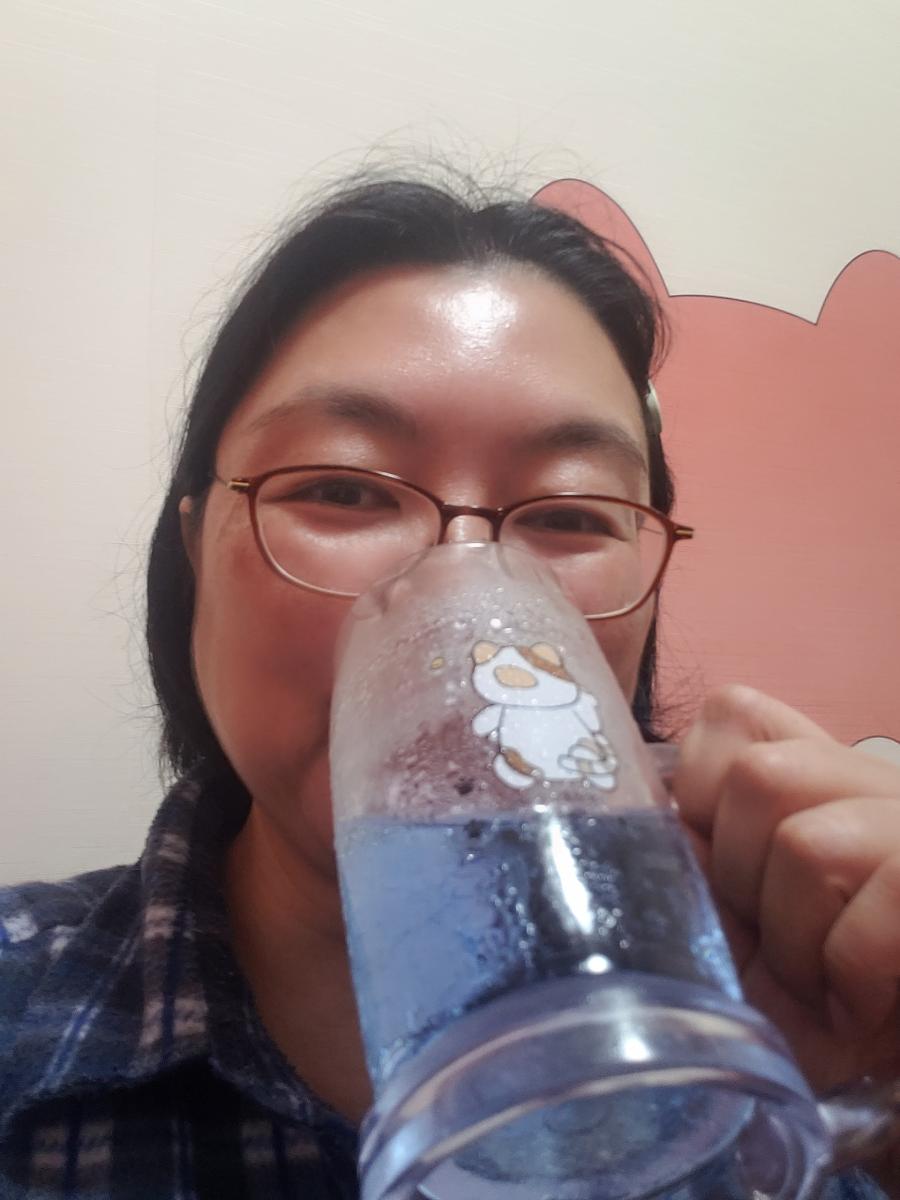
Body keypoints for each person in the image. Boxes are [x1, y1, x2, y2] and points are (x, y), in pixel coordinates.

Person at [1, 174, 897, 1200]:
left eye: (570, 514)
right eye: (342, 488)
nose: (466, 595)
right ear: (196, 547)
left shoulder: (787, 1034)